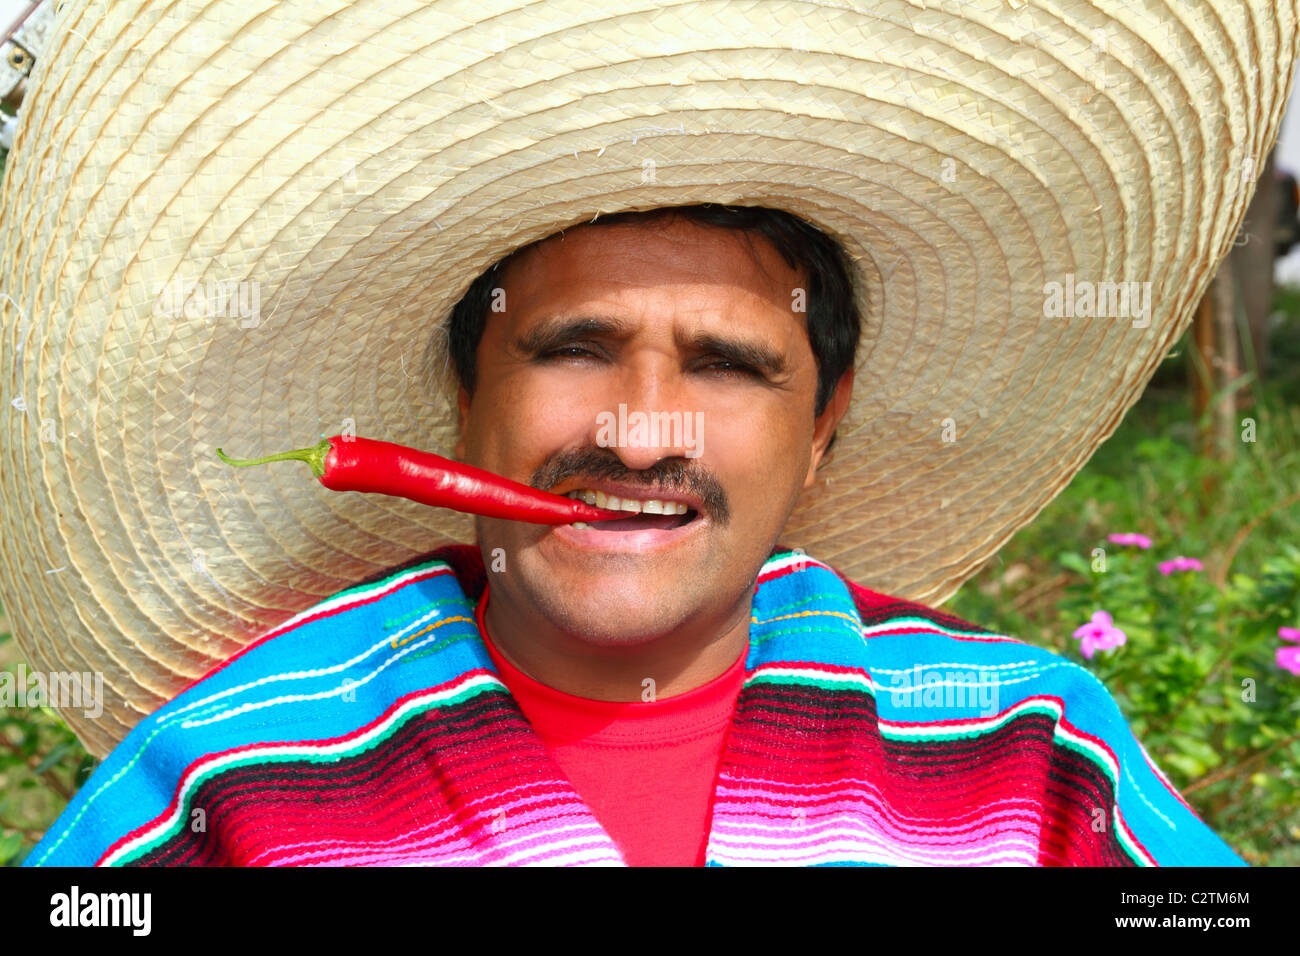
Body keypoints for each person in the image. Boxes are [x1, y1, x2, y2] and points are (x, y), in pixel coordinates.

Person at [3, 0, 1287, 866]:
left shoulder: (1025, 752)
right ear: (464, 397)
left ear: (823, 424)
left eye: (729, 365)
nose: (636, 433)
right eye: (572, 349)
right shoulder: (228, 781)